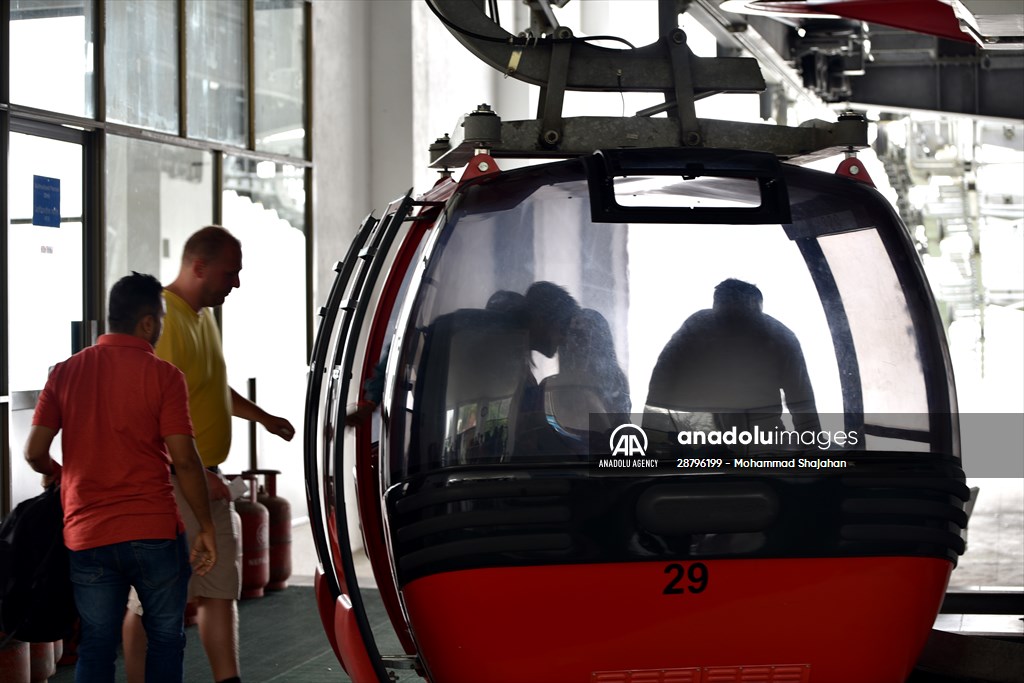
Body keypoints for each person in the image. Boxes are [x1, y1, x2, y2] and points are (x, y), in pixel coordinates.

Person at [24, 271, 218, 683]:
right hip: (154, 532)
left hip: (88, 534)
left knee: (96, 642)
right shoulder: (164, 376)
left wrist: (62, 475)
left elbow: (34, 453)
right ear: (147, 322)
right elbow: (184, 460)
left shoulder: (64, 372)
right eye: (161, 319)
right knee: (166, 638)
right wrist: (205, 525)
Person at [122, 226, 295, 683]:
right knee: (155, 599)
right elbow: (149, 418)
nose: (236, 283)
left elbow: (211, 389)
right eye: (230, 273)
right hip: (171, 482)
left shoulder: (203, 318)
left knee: (220, 591)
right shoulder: (163, 320)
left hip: (208, 479)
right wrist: (194, 474)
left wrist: (262, 416)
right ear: (198, 267)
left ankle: (228, 679)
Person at [646, 278, 819, 437]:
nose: (732, 322)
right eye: (727, 311)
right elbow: (663, 376)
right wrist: (654, 430)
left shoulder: (780, 337)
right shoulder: (697, 326)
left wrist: (811, 440)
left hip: (752, 432)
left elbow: (800, 394)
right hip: (703, 430)